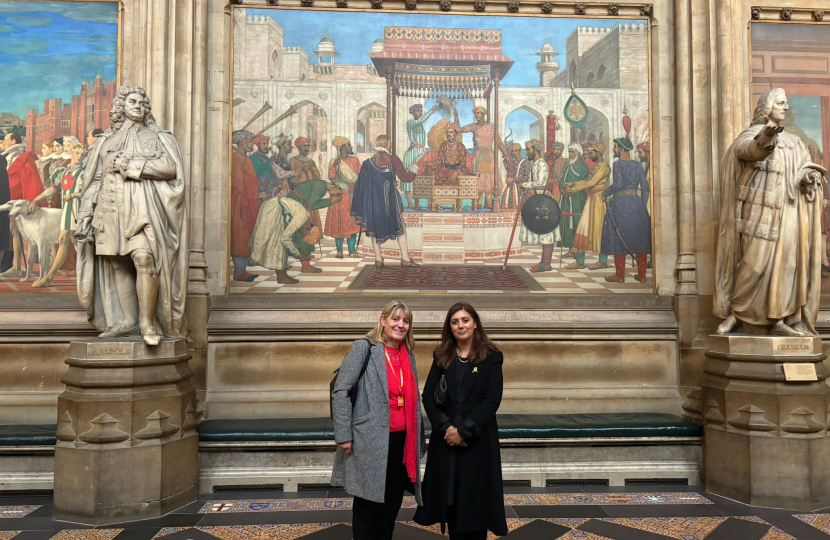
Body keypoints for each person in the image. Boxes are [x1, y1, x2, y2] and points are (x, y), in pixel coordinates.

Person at [74, 86, 188, 346]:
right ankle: (127, 321)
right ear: (120, 107)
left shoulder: (156, 136)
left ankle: (147, 324)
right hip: (108, 210)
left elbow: (171, 168)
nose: (138, 106)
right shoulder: (105, 141)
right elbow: (96, 179)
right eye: (132, 101)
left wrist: (133, 166)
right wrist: (85, 212)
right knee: (118, 264)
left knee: (144, 258)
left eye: (142, 102)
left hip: (139, 209)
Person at [715, 88, 825, 336]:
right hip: (759, 212)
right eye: (780, 103)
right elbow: (749, 151)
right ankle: (736, 313)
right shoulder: (752, 134)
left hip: (789, 213)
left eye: (786, 103)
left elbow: (804, 169)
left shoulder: (796, 142)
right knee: (752, 264)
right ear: (767, 107)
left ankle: (779, 319)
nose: (786, 107)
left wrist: (809, 177)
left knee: (786, 267)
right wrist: (766, 136)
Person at [331, 300, 426, 540]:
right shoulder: (364, 348)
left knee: (391, 504)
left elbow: (414, 400)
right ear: (383, 321)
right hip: (369, 440)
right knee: (368, 505)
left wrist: (419, 441)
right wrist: (343, 434)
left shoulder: (408, 356)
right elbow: (341, 391)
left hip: (402, 441)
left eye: (405, 321)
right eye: (395, 319)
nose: (400, 325)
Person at [414, 302, 507, 540]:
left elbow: (491, 400)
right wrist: (446, 428)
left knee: (475, 503)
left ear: (475, 323)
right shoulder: (441, 355)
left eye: (465, 320)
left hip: (476, 440)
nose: (460, 326)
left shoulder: (492, 356)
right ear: (450, 327)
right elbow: (427, 395)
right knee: (450, 500)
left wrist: (464, 432)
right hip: (445, 441)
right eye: (455, 322)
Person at [351, 134, 420, 268]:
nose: (390, 145)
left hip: (374, 203)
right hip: (391, 202)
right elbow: (406, 178)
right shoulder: (392, 160)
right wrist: (415, 168)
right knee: (401, 228)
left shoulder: (367, 163)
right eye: (389, 143)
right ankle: (405, 258)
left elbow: (362, 186)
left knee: (374, 228)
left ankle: (378, 259)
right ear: (387, 144)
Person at [29, 143, 87, 287]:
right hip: (67, 210)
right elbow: (52, 190)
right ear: (72, 154)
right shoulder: (63, 172)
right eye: (77, 153)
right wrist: (36, 199)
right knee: (72, 241)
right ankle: (82, 273)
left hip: (80, 210)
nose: (79, 156)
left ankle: (50, 277)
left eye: (82, 154)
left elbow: (90, 192)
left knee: (69, 240)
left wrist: (73, 194)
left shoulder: (86, 173)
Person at [600, 138, 652, 283]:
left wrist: (606, 193)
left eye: (615, 147)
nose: (613, 150)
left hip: (620, 204)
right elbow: (645, 188)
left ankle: (620, 275)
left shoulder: (617, 165)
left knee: (618, 236)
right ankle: (641, 276)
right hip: (636, 204)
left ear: (622, 149)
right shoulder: (637, 165)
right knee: (639, 238)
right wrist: (641, 205)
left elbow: (618, 184)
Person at [0, 132, 44, 279]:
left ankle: (17, 266)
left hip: (18, 200)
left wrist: (30, 201)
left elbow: (28, 181)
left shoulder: (22, 158)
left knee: (17, 232)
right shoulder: (10, 156)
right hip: (10, 200)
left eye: (6, 140)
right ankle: (15, 266)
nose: (3, 143)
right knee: (13, 232)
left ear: (13, 141)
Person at [564, 142, 611, 270]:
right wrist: (573, 183)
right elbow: (587, 181)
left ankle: (602, 261)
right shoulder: (597, 166)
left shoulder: (604, 167)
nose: (589, 155)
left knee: (600, 230)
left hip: (600, 201)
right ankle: (580, 261)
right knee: (583, 228)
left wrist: (573, 189)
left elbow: (591, 182)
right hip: (592, 199)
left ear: (599, 153)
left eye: (592, 153)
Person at [248, 196, 313, 285]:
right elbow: (285, 238)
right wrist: (297, 253)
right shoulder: (302, 218)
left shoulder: (304, 218)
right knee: (277, 242)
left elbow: (288, 235)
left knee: (273, 238)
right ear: (307, 228)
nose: (302, 234)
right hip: (274, 208)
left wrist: (297, 250)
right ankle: (282, 277)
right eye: (304, 233)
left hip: (272, 205)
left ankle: (281, 274)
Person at [517, 139, 560, 273]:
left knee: (546, 232)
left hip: (543, 200)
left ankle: (546, 263)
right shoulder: (535, 163)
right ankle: (544, 262)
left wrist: (525, 185)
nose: (527, 153)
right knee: (542, 231)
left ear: (535, 150)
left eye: (528, 150)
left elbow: (540, 182)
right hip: (537, 198)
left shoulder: (542, 164)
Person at [230, 130, 260, 282]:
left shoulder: (243, 158)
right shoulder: (236, 158)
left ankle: (242, 271)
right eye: (249, 141)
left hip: (248, 201)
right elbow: (239, 183)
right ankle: (239, 273)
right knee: (240, 237)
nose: (252, 144)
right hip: (241, 203)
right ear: (241, 144)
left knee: (248, 235)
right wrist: (254, 194)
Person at [325, 137, 361, 258]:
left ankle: (351, 251)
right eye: (349, 145)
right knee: (338, 224)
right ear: (342, 148)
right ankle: (339, 251)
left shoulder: (355, 160)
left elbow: (360, 176)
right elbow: (331, 177)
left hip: (352, 196)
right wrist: (334, 166)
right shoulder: (334, 161)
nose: (351, 147)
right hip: (339, 198)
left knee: (352, 224)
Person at [457, 106, 499, 210]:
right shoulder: (474, 127)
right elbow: (459, 130)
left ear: (483, 114)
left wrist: (506, 154)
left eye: (479, 113)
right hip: (478, 155)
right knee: (479, 177)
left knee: (489, 178)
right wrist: (456, 116)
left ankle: (488, 202)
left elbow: (499, 141)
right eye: (475, 113)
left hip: (489, 155)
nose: (476, 115)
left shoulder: (491, 127)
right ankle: (478, 202)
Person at [402, 103, 438, 209]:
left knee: (424, 177)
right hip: (412, 153)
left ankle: (429, 201)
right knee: (409, 179)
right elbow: (421, 120)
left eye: (421, 111)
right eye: (418, 111)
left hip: (421, 153)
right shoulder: (410, 123)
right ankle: (410, 202)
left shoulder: (420, 125)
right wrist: (432, 110)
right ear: (413, 113)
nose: (420, 113)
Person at [558, 142, 589, 257]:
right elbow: (562, 181)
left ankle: (578, 251)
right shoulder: (567, 166)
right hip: (566, 200)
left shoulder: (583, 167)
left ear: (579, 153)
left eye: (572, 152)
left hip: (577, 200)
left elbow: (583, 182)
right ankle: (571, 250)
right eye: (569, 152)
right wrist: (562, 190)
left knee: (576, 224)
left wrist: (571, 191)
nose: (570, 154)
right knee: (567, 225)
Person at [499, 142, 531, 211]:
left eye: (516, 151)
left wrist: (514, 179)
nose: (513, 153)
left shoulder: (525, 162)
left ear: (519, 151)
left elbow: (526, 177)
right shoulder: (511, 162)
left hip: (520, 187)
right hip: (510, 187)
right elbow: (505, 161)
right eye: (512, 151)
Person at [249, 134, 276, 203]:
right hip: (257, 193)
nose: (266, 146)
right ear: (258, 145)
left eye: (267, 144)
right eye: (263, 144)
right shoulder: (251, 159)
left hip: (269, 192)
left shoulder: (268, 160)